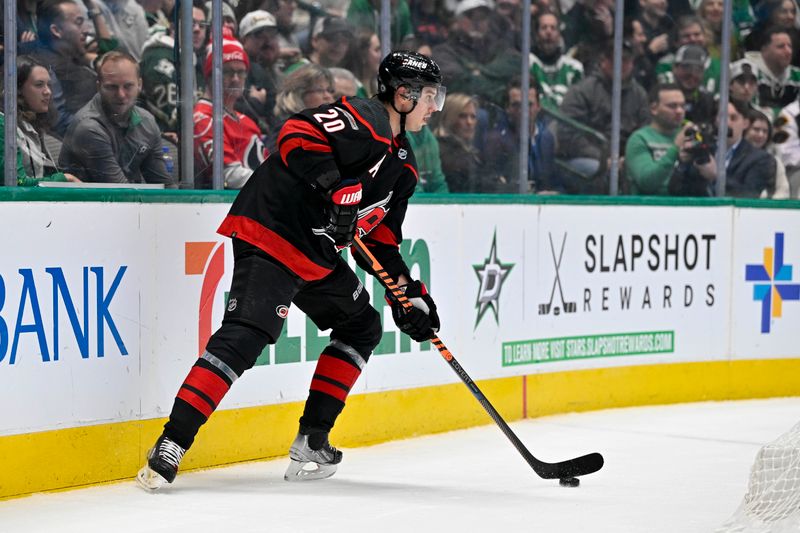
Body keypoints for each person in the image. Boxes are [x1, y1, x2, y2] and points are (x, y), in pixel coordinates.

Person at [136, 51, 445, 490]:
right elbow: (296, 133)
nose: (435, 107)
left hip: (315, 251)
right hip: (273, 230)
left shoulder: (403, 167)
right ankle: (171, 443)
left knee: (362, 327)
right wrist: (336, 185)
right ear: (402, 95)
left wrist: (409, 295)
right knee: (246, 333)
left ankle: (311, 441)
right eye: (431, 97)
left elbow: (379, 242)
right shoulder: (363, 117)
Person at [57, 51, 173, 185]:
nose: (121, 95)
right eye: (112, 87)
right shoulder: (88, 128)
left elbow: (164, 185)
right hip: (85, 204)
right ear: (98, 87)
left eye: (128, 86)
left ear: (139, 85)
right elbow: (120, 192)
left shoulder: (146, 121)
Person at [557, 41, 650, 194]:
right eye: (615, 60)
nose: (621, 65)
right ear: (603, 61)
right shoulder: (582, 91)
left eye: (625, 60)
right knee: (603, 173)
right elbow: (569, 134)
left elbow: (645, 130)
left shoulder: (639, 94)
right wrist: (603, 159)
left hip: (627, 158)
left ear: (632, 63)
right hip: (587, 158)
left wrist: (628, 158)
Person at [193, 30, 268, 189]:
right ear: (209, 76)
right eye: (227, 71)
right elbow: (229, 176)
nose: (235, 78)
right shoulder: (203, 119)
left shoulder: (247, 121)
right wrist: (279, 184)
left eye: (240, 72)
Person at [669, 99, 776, 197]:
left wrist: (717, 177)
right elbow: (675, 191)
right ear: (715, 120)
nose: (727, 123)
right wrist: (682, 165)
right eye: (723, 117)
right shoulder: (703, 149)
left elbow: (751, 196)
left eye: (733, 118)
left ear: (745, 123)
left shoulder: (761, 159)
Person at [0, 55, 81, 185]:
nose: (48, 91)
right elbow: (15, 184)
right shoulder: (3, 124)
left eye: (48, 85)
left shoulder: (34, 126)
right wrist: (64, 179)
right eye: (39, 85)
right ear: (18, 89)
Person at [484, 78, 559, 193]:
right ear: (507, 108)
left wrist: (555, 193)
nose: (523, 110)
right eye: (516, 105)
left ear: (539, 106)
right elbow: (492, 186)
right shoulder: (496, 140)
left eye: (529, 104)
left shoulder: (546, 138)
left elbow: (553, 182)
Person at [625, 83, 688, 195]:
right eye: (672, 106)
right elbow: (647, 182)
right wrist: (675, 149)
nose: (679, 111)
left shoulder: (688, 138)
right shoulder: (640, 139)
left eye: (682, 106)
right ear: (654, 109)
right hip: (650, 207)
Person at [731, 27, 800, 118]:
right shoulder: (748, 72)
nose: (788, 51)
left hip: (788, 127)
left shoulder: (797, 76)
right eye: (781, 47)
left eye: (790, 46)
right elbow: (749, 109)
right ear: (764, 50)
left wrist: (781, 119)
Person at [267, 63, 336, 152]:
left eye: (330, 91)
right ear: (300, 95)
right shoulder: (288, 129)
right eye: (320, 90)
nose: (328, 96)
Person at [530, 11, 584, 110]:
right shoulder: (527, 63)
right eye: (544, 27)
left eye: (553, 28)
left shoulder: (574, 68)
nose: (548, 32)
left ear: (559, 34)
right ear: (536, 34)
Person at [745, 109, 791, 198]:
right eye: (756, 129)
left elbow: (783, 192)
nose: (761, 135)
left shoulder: (775, 161)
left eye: (765, 131)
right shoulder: (732, 157)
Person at [668, 44, 717, 124]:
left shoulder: (709, 102)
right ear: (674, 68)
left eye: (697, 69)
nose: (692, 74)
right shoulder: (663, 98)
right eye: (686, 67)